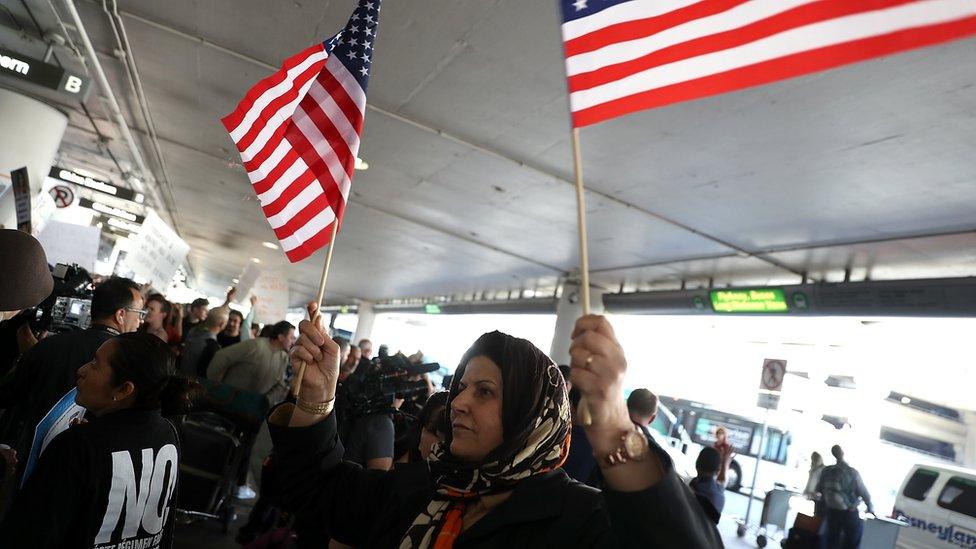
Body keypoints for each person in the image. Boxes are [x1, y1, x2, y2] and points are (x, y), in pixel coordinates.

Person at [273, 314, 722, 548]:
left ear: (532, 416)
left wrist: (612, 422)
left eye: (485, 392)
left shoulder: (579, 521)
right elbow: (314, 487)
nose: (460, 402)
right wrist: (316, 396)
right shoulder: (426, 487)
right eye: (461, 387)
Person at [0, 332, 194, 547]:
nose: (82, 370)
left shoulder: (77, 446)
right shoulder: (167, 432)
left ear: (124, 390)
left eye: (95, 364)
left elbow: (28, 534)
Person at [0, 277, 144, 468]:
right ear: (120, 315)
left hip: (21, 457)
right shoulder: (129, 365)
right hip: (77, 464)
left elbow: (7, 394)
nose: (140, 320)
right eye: (139, 312)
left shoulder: (48, 346)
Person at [207, 320, 295, 401]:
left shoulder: (284, 357)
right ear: (281, 337)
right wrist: (215, 385)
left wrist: (266, 401)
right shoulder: (255, 345)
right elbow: (221, 357)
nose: (293, 342)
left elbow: (280, 384)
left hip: (251, 408)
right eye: (291, 337)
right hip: (228, 400)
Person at [816, 445, 874, 549]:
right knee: (854, 538)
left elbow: (819, 489)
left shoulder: (826, 471)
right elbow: (864, 493)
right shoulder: (852, 472)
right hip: (849, 513)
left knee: (831, 540)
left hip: (831, 512)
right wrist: (870, 508)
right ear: (842, 453)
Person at [180, 306, 228, 377]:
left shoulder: (193, 330)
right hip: (193, 384)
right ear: (222, 324)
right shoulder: (212, 345)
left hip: (181, 375)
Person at [689, 446, 732, 524]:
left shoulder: (693, 489)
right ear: (718, 470)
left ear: (697, 463)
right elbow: (723, 480)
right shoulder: (719, 491)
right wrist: (725, 463)